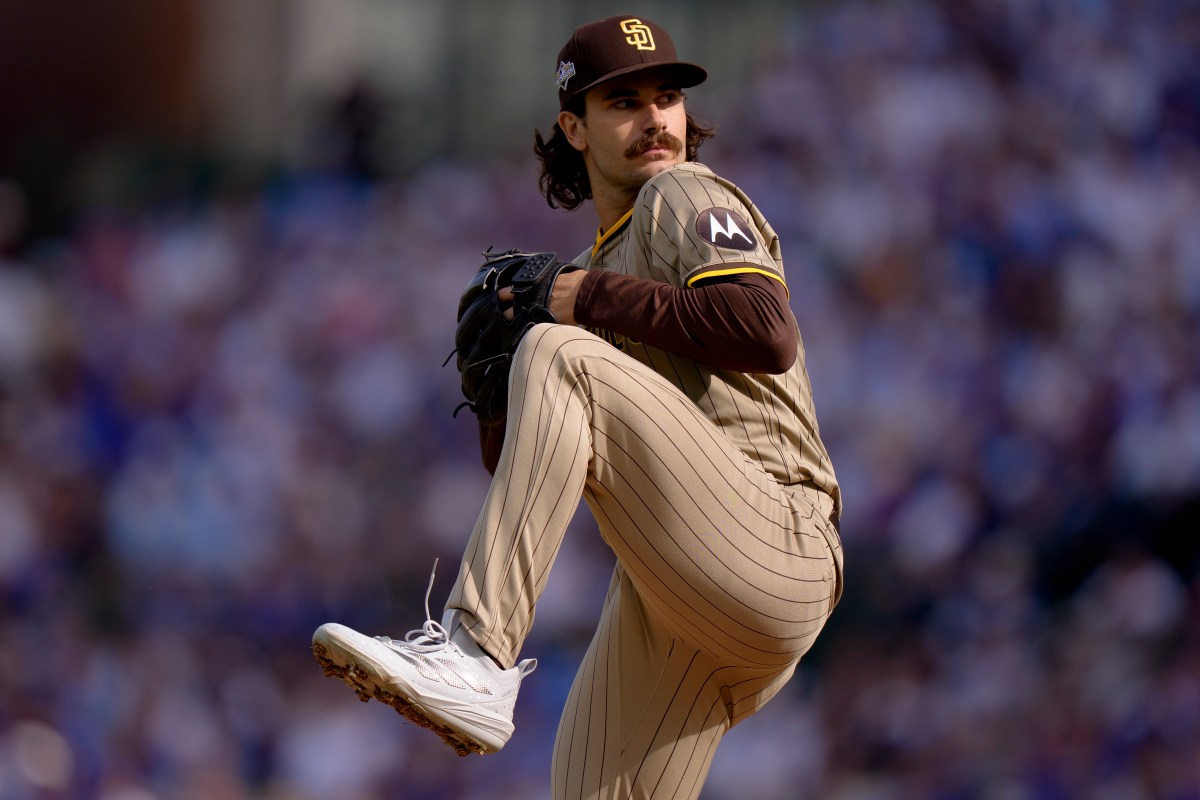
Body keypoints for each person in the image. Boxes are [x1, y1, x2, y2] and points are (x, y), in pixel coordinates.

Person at [312, 14, 843, 799]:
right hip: (677, 598)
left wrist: (581, 300)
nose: (655, 118)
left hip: (776, 539)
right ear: (575, 128)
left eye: (667, 97)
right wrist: (493, 394)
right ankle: (475, 661)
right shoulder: (588, 270)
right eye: (624, 101)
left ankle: (477, 655)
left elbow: (766, 332)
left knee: (557, 351)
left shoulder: (682, 193)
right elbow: (527, 466)